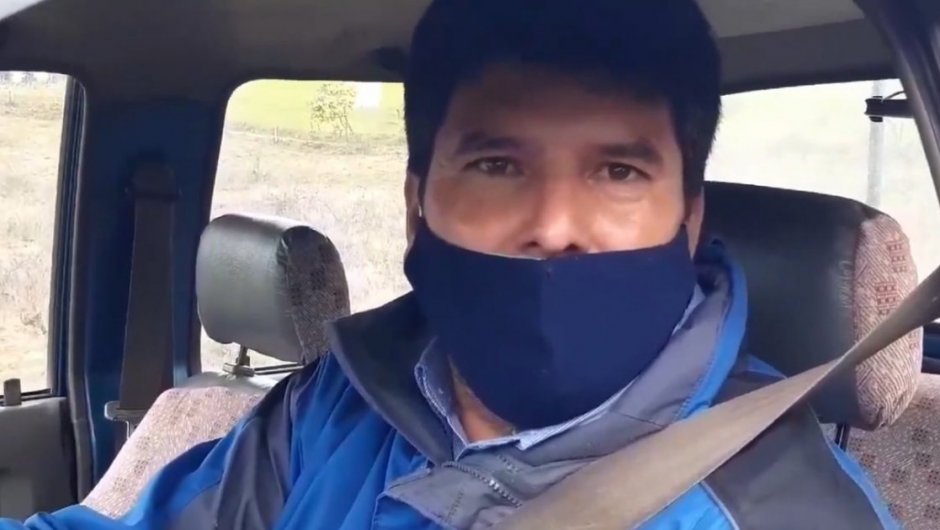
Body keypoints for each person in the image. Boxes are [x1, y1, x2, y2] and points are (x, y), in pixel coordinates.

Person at [2, 0, 898, 529]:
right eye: (498, 165)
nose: (554, 226)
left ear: (689, 219)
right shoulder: (338, 403)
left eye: (619, 172)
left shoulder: (788, 510)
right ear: (415, 205)